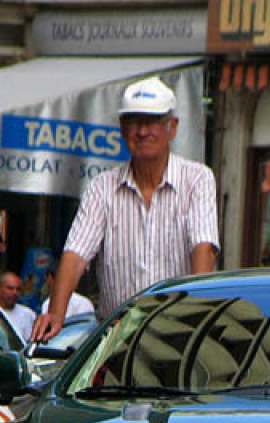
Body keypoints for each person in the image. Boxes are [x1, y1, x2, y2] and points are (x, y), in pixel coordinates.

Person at [31, 75, 219, 342]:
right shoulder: (102, 187)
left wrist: (199, 316)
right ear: (122, 127)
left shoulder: (197, 179)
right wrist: (55, 314)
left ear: (172, 128)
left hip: (179, 334)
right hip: (117, 337)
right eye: (134, 122)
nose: (143, 132)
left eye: (153, 122)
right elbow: (76, 254)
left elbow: (204, 246)